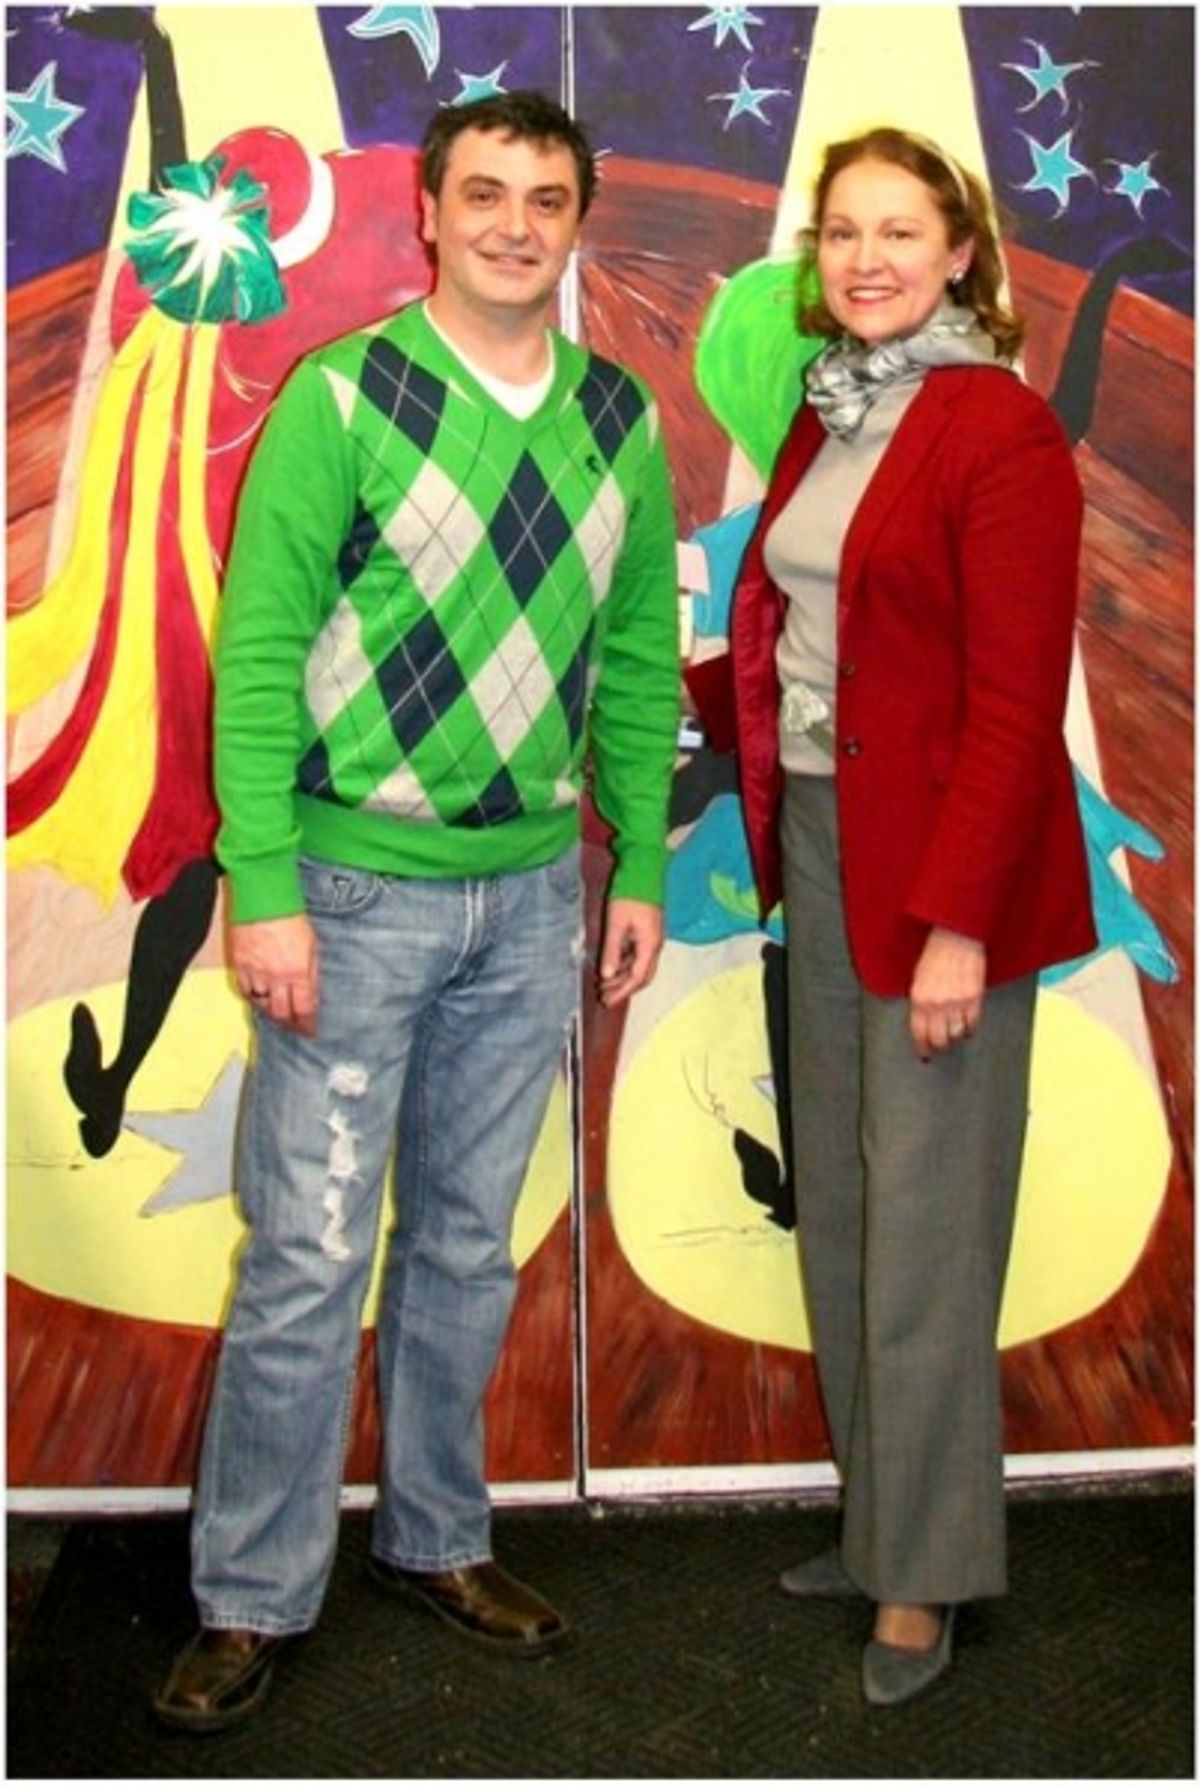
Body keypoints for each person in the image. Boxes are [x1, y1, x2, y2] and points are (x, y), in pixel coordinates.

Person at [153, 90, 680, 1733]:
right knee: (309, 1255)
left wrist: (639, 864)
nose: (517, 225)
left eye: (547, 199)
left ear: (575, 223)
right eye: (487, 194)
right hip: (349, 896)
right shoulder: (342, 396)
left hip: (526, 901)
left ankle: (438, 1539)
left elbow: (640, 657)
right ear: (430, 215)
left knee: (463, 1245)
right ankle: (251, 1594)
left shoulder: (618, 416)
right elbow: (257, 654)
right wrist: (263, 889)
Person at [689, 126, 1096, 1706]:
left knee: (926, 1229)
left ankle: (926, 1576)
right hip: (822, 837)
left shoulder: (996, 427)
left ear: (961, 254)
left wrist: (959, 927)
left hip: (944, 872)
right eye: (843, 232)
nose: (866, 259)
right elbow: (816, 642)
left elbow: (1013, 703)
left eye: (900, 233)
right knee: (850, 1209)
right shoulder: (834, 407)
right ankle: (880, 1526)